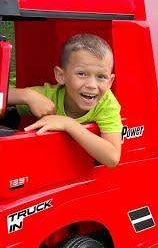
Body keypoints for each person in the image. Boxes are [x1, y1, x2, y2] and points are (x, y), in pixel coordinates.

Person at [8, 33, 122, 168]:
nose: (92, 85)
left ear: (110, 82)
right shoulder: (50, 95)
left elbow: (112, 158)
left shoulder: (106, 103)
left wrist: (68, 124)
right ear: (61, 76)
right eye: (81, 74)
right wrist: (27, 95)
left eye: (101, 76)